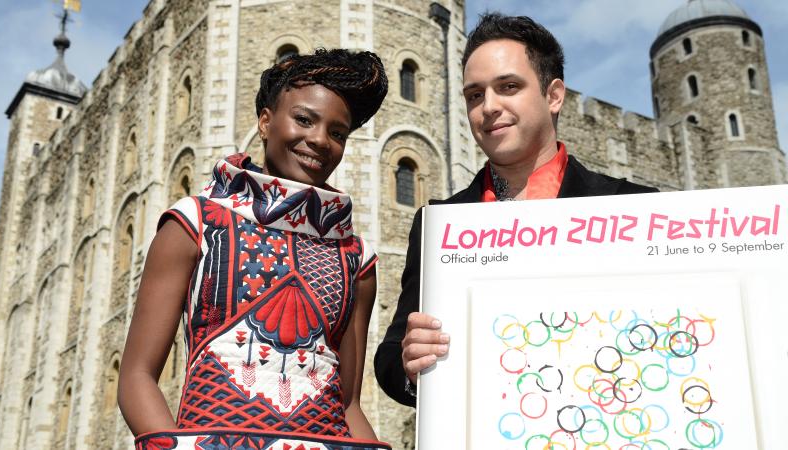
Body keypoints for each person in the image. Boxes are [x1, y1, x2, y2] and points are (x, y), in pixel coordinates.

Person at [374, 13, 658, 407]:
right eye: (475, 95)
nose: (488, 107)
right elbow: (389, 358)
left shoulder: (635, 208)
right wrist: (409, 363)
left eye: (508, 87)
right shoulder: (438, 225)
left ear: (554, 95)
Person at [118, 48, 392, 450]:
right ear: (266, 121)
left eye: (338, 133)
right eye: (304, 119)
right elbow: (136, 376)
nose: (319, 140)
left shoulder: (356, 256)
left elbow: (348, 402)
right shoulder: (194, 222)